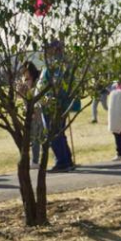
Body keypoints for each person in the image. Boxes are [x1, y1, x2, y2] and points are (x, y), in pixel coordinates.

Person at [39, 41, 76, 173]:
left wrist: (49, 98)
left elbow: (56, 84)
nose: (46, 51)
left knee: (54, 133)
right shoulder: (55, 63)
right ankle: (67, 160)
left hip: (55, 104)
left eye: (49, 48)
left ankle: (62, 162)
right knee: (59, 133)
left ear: (56, 49)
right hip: (54, 103)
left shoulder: (58, 64)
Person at [18, 61, 44, 167]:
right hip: (29, 113)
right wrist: (21, 87)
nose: (24, 74)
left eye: (25, 71)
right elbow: (19, 96)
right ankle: (34, 161)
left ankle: (35, 161)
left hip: (38, 112)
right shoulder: (24, 82)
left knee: (38, 137)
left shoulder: (38, 81)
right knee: (33, 137)